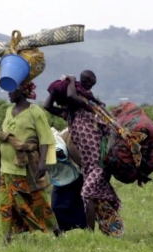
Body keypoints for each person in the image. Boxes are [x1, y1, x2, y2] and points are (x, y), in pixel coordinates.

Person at [44, 71, 124, 236]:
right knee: (89, 196)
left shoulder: (86, 108)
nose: (88, 87)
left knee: (87, 194)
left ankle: (89, 233)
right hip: (85, 166)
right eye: (87, 83)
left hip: (97, 165)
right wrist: (55, 95)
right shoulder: (73, 114)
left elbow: (72, 96)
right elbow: (48, 105)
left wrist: (71, 81)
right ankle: (94, 230)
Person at [0, 80, 61, 243]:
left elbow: (45, 138)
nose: (9, 93)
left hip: (25, 169)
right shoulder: (9, 110)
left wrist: (42, 162)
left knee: (38, 202)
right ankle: (7, 238)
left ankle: (55, 230)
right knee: (6, 204)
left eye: (12, 90)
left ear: (22, 91)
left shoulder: (34, 112)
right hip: (6, 168)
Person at [46, 129, 87, 232]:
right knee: (57, 206)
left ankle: (84, 229)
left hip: (72, 174)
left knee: (75, 205)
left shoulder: (52, 136)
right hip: (60, 178)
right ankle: (62, 230)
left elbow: (61, 152)